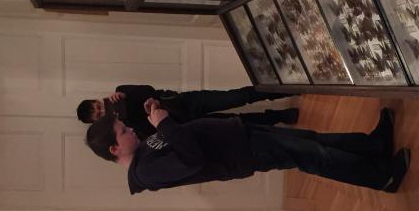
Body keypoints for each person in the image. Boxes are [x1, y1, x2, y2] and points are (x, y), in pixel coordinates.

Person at [85, 105, 409, 195]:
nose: (131, 130)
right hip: (243, 152)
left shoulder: (144, 152)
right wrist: (165, 124)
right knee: (313, 156)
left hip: (238, 135)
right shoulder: (146, 172)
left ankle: (373, 145)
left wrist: (160, 117)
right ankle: (380, 178)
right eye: (124, 132)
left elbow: (181, 137)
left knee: (313, 141)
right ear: (115, 149)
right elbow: (191, 158)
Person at [77, 84, 296, 140]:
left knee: (236, 96)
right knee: (237, 123)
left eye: (97, 105)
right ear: (98, 121)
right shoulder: (122, 129)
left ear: (97, 99)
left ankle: (284, 88)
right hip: (184, 126)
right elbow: (150, 134)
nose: (101, 109)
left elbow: (149, 90)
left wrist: (126, 96)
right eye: (97, 114)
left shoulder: (121, 90)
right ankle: (280, 116)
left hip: (185, 103)